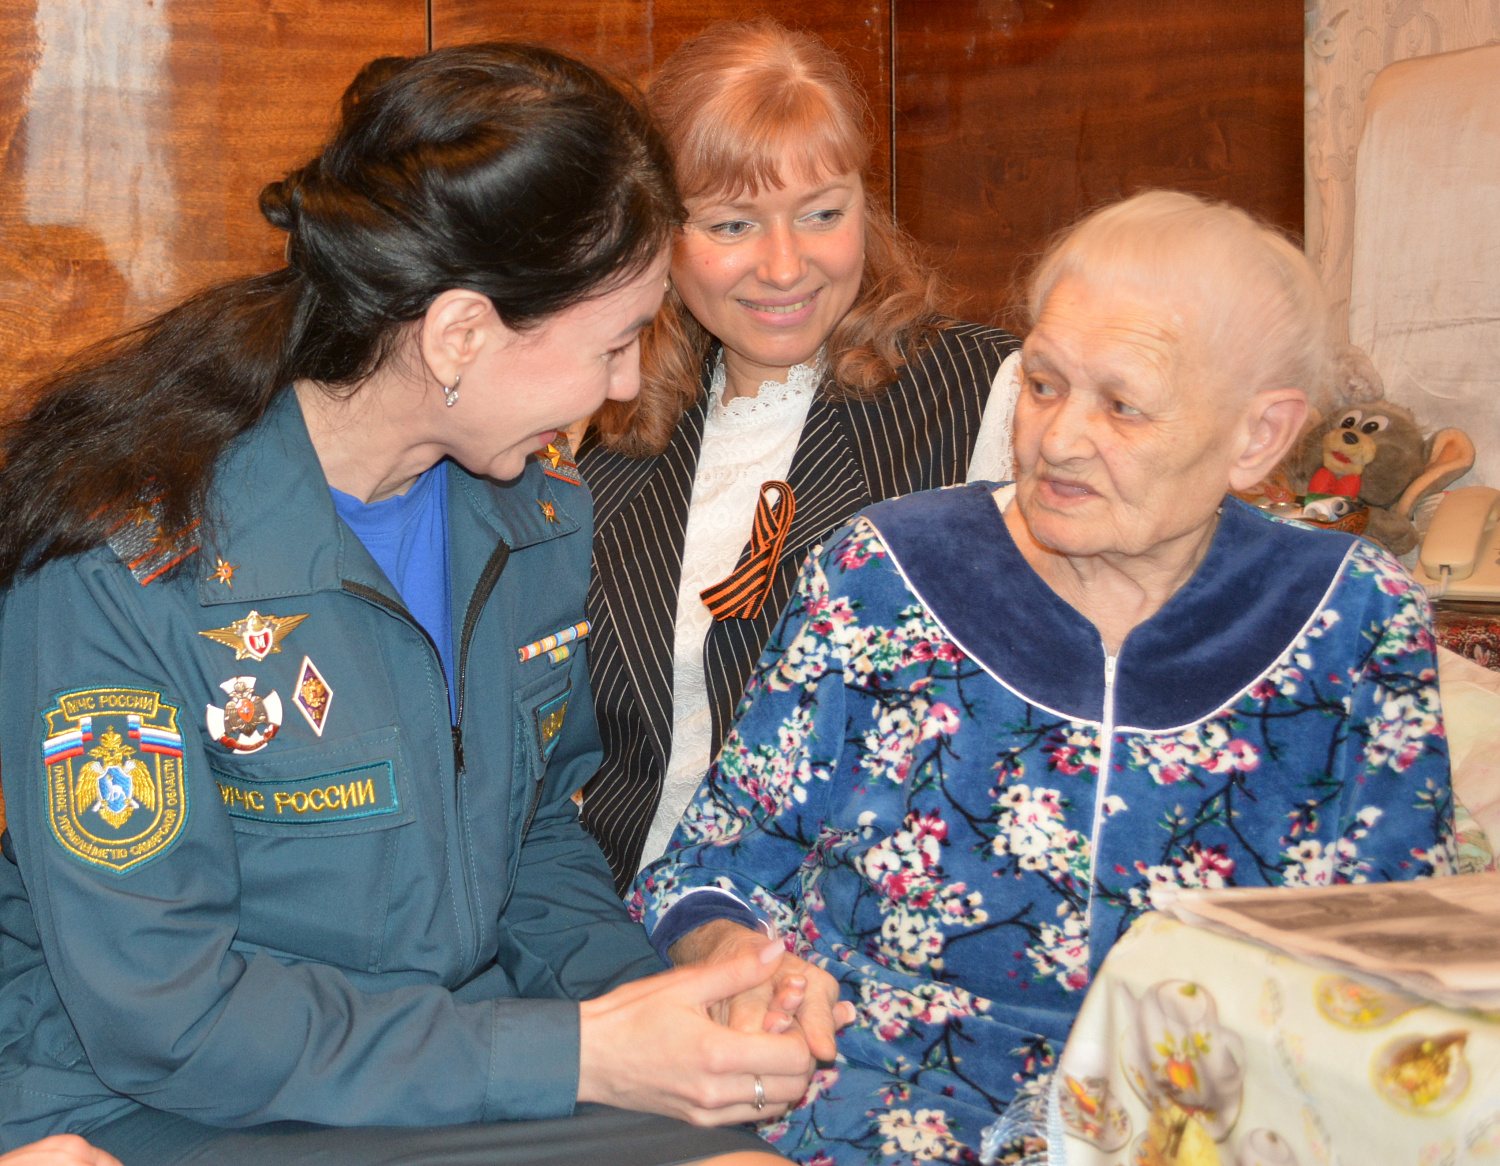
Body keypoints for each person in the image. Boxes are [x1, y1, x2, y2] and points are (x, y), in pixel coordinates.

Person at [0, 44, 809, 1165]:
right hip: (168, 1095)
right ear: (460, 336)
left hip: (438, 1060)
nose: (627, 384)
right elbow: (164, 1016)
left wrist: (669, 1015)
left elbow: (533, 843)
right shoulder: (127, 558)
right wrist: (577, 1053)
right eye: (613, 343)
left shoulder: (537, 515)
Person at [632, 191, 1457, 1163]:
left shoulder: (1351, 616)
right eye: (1045, 384)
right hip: (875, 1098)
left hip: (1215, 1121)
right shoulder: (887, 572)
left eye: (1123, 405)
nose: (1060, 439)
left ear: (1259, 436)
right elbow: (713, 859)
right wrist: (737, 958)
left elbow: (1399, 951)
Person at [577, 20, 1024, 891]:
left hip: (860, 932)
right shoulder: (600, 423)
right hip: (619, 923)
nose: (786, 267)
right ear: (657, 234)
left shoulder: (989, 396)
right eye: (733, 224)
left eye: (823, 213)